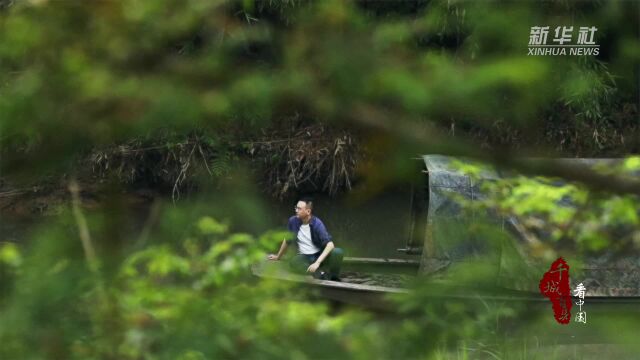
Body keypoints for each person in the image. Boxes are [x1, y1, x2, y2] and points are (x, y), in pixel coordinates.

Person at [267, 198, 344, 281]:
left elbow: (330, 245)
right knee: (294, 262)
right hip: (305, 257)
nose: (296, 210)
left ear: (308, 211)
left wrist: (317, 263)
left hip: (319, 256)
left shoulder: (317, 224)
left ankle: (334, 278)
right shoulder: (292, 221)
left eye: (299, 209)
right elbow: (287, 240)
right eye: (296, 208)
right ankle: (320, 274)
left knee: (338, 252)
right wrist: (278, 256)